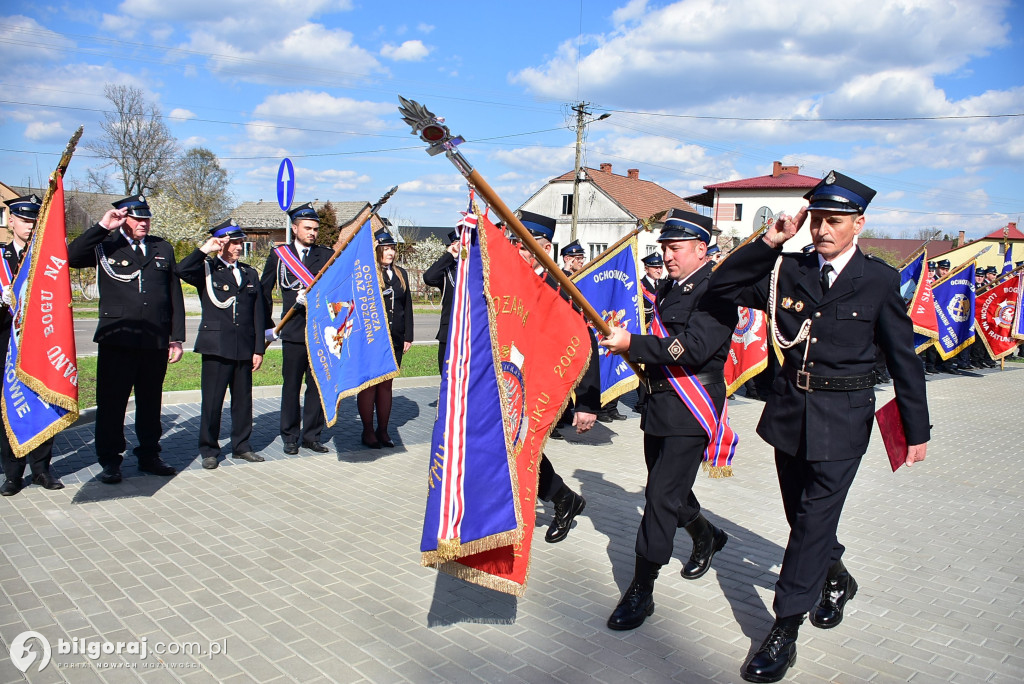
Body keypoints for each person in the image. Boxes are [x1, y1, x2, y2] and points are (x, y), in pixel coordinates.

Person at [707, 171, 930, 683]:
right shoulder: (790, 269)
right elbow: (723, 285)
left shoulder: (878, 280)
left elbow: (904, 358)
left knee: (811, 520)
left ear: (859, 224)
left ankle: (784, 628)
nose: (823, 230)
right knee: (800, 515)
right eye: (818, 220)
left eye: (835, 221)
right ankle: (836, 575)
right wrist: (769, 241)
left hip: (844, 417)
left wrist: (916, 429)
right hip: (790, 411)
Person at [599, 209, 738, 631]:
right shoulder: (667, 288)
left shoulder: (717, 289)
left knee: (659, 496)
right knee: (670, 491)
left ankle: (642, 588)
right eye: (664, 248)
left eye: (675, 248)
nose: (667, 256)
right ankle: (706, 535)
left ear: (701, 249)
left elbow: (691, 347)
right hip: (659, 403)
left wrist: (633, 343)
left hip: (691, 406)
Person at [67, 195, 184, 484]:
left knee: (150, 401)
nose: (144, 223)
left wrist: (176, 338)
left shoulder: (162, 247)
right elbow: (72, 256)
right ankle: (110, 460)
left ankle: (149, 454)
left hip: (154, 338)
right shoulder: (106, 244)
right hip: (117, 338)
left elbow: (174, 294)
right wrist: (102, 227)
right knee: (112, 403)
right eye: (137, 218)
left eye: (147, 218)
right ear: (124, 219)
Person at [517, 210, 599, 542]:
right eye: (514, 243)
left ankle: (562, 498)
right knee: (516, 449)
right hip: (512, 381)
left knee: (522, 449)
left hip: (544, 385)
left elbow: (586, 343)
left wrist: (588, 402)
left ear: (545, 248)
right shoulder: (514, 278)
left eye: (524, 244)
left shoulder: (559, 288)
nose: (517, 250)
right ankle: (563, 498)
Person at [177, 220, 267, 470]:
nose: (238, 247)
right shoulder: (207, 269)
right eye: (233, 243)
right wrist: (205, 249)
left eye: (240, 242)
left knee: (243, 402)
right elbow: (181, 270)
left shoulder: (249, 273)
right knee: (212, 401)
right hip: (216, 346)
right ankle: (209, 449)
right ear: (221, 244)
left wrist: (258, 349)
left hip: (244, 347)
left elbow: (258, 313)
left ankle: (242, 446)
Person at [0, 195, 62, 495]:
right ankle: (13, 473)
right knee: (8, 407)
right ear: (11, 221)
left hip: (40, 342)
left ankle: (42, 470)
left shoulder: (47, 257)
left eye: (35, 220)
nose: (30, 226)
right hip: (5, 343)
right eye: (24, 220)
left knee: (42, 403)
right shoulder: (1, 258)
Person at [260, 202, 333, 455]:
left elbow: (336, 292)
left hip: (320, 332)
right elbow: (264, 292)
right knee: (291, 386)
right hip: (292, 331)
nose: (312, 233)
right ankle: (290, 436)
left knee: (316, 386)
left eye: (315, 229)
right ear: (294, 228)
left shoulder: (326, 255)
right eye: (307, 228)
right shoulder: (280, 255)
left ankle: (312, 435)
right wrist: (268, 326)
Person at [357, 230, 413, 449]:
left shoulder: (400, 274)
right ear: (377, 250)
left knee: (386, 385)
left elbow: (407, 306)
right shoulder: (367, 274)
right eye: (386, 249)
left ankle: (383, 429)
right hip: (372, 338)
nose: (390, 253)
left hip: (395, 338)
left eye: (392, 249)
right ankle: (368, 430)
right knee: (370, 385)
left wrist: (408, 335)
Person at [422, 230, 459, 374]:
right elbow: (429, 277)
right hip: (448, 331)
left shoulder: (477, 268)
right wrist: (449, 255)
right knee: (447, 375)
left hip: (472, 332)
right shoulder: (447, 269)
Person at [635, 253, 666, 413]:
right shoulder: (640, 286)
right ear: (646, 269)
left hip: (659, 332)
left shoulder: (665, 285)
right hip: (644, 331)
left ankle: (650, 399)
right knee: (643, 367)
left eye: (660, 267)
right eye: (655, 267)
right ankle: (641, 402)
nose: (659, 270)